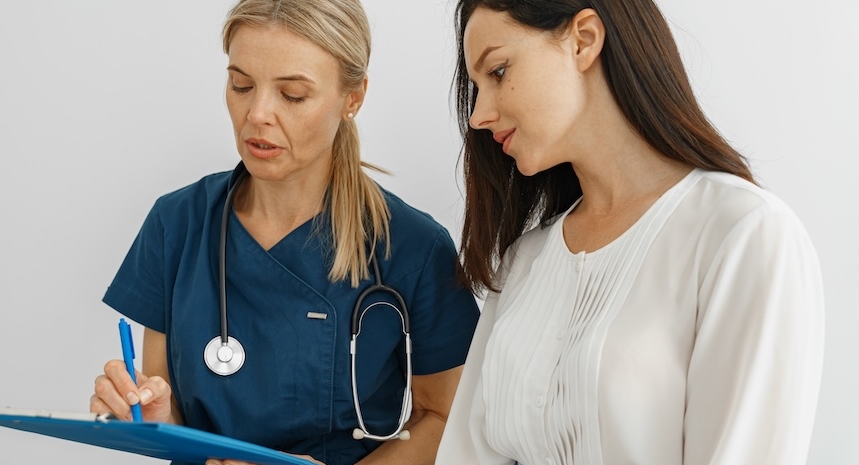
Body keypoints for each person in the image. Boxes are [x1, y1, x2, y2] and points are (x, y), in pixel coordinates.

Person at [88, 1, 481, 464]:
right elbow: (168, 411)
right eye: (241, 85)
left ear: (353, 97)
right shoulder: (177, 224)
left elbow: (445, 415)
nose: (257, 114)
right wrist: (153, 417)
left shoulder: (413, 248)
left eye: (292, 95)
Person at [436, 1, 824, 464]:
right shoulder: (527, 259)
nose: (478, 115)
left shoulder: (743, 235)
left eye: (497, 71)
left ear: (584, 40)